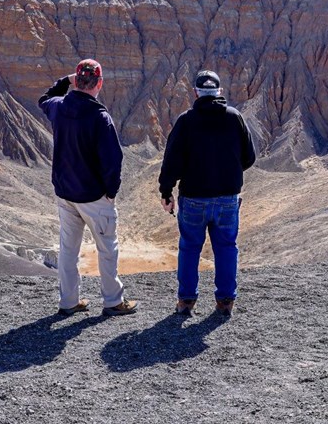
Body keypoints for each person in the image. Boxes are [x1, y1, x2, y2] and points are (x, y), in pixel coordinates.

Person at [39, 59, 138, 317]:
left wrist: (66, 80)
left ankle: (69, 301)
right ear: (99, 83)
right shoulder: (100, 117)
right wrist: (111, 192)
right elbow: (113, 161)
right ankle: (113, 301)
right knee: (107, 248)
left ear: (77, 81)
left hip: (65, 193)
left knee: (68, 250)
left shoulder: (59, 107)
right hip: (94, 197)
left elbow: (45, 98)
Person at [158, 70, 256, 318]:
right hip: (227, 199)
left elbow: (171, 161)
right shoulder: (235, 118)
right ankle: (225, 303)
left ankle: (186, 303)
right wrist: (228, 172)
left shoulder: (186, 120)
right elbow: (249, 157)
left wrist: (166, 191)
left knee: (190, 248)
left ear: (196, 93)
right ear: (219, 92)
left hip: (193, 198)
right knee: (226, 247)